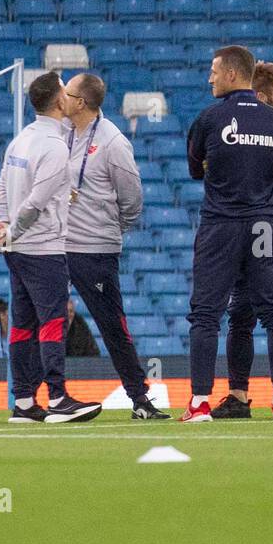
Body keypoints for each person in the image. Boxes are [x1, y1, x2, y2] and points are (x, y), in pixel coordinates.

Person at [182, 46, 273, 423]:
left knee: (205, 315)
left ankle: (199, 403)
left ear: (232, 74)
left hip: (220, 226)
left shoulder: (209, 118)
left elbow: (196, 169)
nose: (210, 78)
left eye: (214, 71)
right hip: (264, 225)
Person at [0, 70, 100, 424]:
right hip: (42, 248)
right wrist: (12, 232)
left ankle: (23, 401)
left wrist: (2, 226)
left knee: (22, 324)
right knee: (53, 320)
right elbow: (35, 204)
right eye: (66, 91)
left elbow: (3, 189)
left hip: (17, 252)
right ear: (58, 100)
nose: (70, 96)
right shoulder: (53, 146)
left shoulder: (21, 139)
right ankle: (57, 397)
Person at [62, 72, 168, 419]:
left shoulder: (112, 142)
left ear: (80, 102)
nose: (61, 96)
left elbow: (132, 198)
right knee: (40, 317)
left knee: (111, 324)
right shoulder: (62, 133)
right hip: (56, 243)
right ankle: (33, 398)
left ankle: (139, 398)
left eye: (67, 92)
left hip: (94, 248)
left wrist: (109, 229)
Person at [211, 62, 273, 419]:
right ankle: (239, 395)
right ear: (262, 96)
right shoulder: (254, 133)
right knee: (241, 314)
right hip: (258, 230)